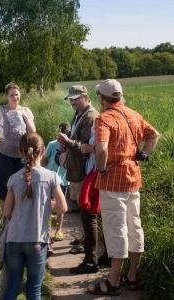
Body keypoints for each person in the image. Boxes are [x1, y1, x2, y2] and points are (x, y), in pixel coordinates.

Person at [88, 79, 160, 296]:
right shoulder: (133, 115)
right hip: (133, 178)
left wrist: (101, 168)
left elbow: (101, 149)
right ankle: (132, 276)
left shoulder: (104, 119)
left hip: (112, 182)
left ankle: (112, 281)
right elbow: (154, 134)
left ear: (102, 97)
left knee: (115, 229)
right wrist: (143, 154)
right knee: (134, 226)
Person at [1, 132, 67, 299]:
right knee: (34, 290)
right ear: (43, 150)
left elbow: (7, 212)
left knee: (13, 287)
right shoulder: (51, 177)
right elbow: (63, 207)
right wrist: (47, 205)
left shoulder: (14, 179)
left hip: (14, 240)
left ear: (21, 152)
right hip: (37, 242)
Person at [57, 85, 100, 274]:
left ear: (85, 96)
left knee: (88, 215)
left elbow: (84, 147)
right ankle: (88, 247)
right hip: (78, 170)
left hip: (85, 171)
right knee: (87, 215)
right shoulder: (79, 114)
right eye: (71, 99)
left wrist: (67, 142)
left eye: (76, 98)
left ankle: (91, 259)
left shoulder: (90, 117)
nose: (73, 102)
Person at [0, 83, 36, 211]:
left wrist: (25, 117)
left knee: (22, 187)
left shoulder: (26, 111)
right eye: (11, 95)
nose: (14, 97)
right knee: (4, 189)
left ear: (20, 95)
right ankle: (6, 221)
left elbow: (33, 132)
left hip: (22, 156)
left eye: (16, 94)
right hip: (4, 156)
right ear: (7, 96)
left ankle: (19, 218)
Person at [41, 122, 70, 241]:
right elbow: (44, 160)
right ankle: (47, 229)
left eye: (65, 133)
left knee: (60, 207)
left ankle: (58, 230)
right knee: (47, 205)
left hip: (62, 180)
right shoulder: (52, 144)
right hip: (49, 180)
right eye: (61, 133)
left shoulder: (70, 147)